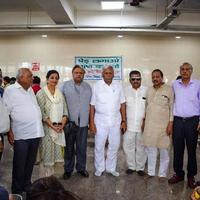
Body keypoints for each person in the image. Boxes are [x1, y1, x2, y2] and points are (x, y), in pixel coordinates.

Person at [3, 68, 44, 194]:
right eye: (29, 76)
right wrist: (10, 132)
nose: (32, 78)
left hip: (35, 133)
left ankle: (27, 184)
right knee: (19, 164)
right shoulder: (10, 90)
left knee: (30, 163)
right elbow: (6, 113)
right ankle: (17, 189)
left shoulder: (30, 89)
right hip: (21, 134)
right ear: (20, 78)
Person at [90, 65, 126, 177]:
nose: (108, 75)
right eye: (106, 73)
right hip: (100, 120)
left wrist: (124, 120)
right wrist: (91, 123)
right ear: (102, 74)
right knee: (99, 146)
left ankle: (111, 168)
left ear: (113, 74)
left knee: (114, 146)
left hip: (116, 120)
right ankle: (100, 168)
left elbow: (122, 104)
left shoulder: (119, 86)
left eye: (110, 73)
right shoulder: (96, 86)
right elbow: (92, 106)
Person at [168, 62, 200, 189]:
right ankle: (179, 174)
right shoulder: (174, 85)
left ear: (191, 71)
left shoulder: (197, 84)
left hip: (193, 121)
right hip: (178, 121)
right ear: (180, 71)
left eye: (187, 69)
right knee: (178, 150)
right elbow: (171, 103)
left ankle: (191, 176)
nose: (185, 71)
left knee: (192, 150)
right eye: (182, 69)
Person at [61, 65, 92, 179]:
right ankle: (68, 169)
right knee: (68, 148)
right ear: (72, 73)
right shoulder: (64, 86)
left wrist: (91, 122)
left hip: (83, 123)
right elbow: (60, 103)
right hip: (69, 123)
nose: (78, 74)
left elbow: (91, 105)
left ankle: (81, 168)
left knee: (81, 147)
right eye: (76, 72)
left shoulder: (88, 87)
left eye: (81, 73)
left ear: (84, 74)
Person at [142, 69, 173, 179]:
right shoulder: (149, 90)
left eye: (157, 76)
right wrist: (144, 121)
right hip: (150, 126)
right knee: (151, 149)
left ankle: (162, 174)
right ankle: (151, 172)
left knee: (164, 150)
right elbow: (146, 107)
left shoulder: (169, 90)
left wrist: (170, 124)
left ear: (162, 77)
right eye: (153, 77)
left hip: (163, 127)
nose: (155, 79)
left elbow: (172, 108)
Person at [36, 70, 68, 176]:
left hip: (59, 129)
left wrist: (61, 125)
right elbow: (42, 113)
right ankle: (45, 180)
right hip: (47, 130)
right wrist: (53, 127)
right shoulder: (41, 93)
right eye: (52, 77)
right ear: (47, 79)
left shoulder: (60, 94)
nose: (54, 80)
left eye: (56, 78)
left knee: (57, 155)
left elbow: (65, 111)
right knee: (47, 156)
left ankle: (54, 180)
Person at [123, 70, 147, 176]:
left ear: (141, 79)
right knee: (128, 147)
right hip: (129, 125)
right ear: (130, 80)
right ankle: (131, 166)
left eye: (138, 79)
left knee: (142, 147)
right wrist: (123, 121)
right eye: (133, 79)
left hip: (142, 125)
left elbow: (149, 107)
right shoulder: (125, 91)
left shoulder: (147, 91)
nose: (136, 81)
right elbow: (122, 107)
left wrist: (145, 121)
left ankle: (140, 167)